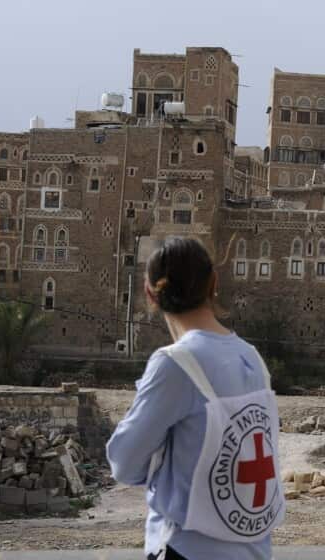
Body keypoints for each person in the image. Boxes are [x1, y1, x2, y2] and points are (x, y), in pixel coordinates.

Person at [107, 237, 283, 560]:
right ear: (214, 284)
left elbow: (124, 461)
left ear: (150, 295)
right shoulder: (253, 358)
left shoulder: (175, 363)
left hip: (188, 551)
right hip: (254, 552)